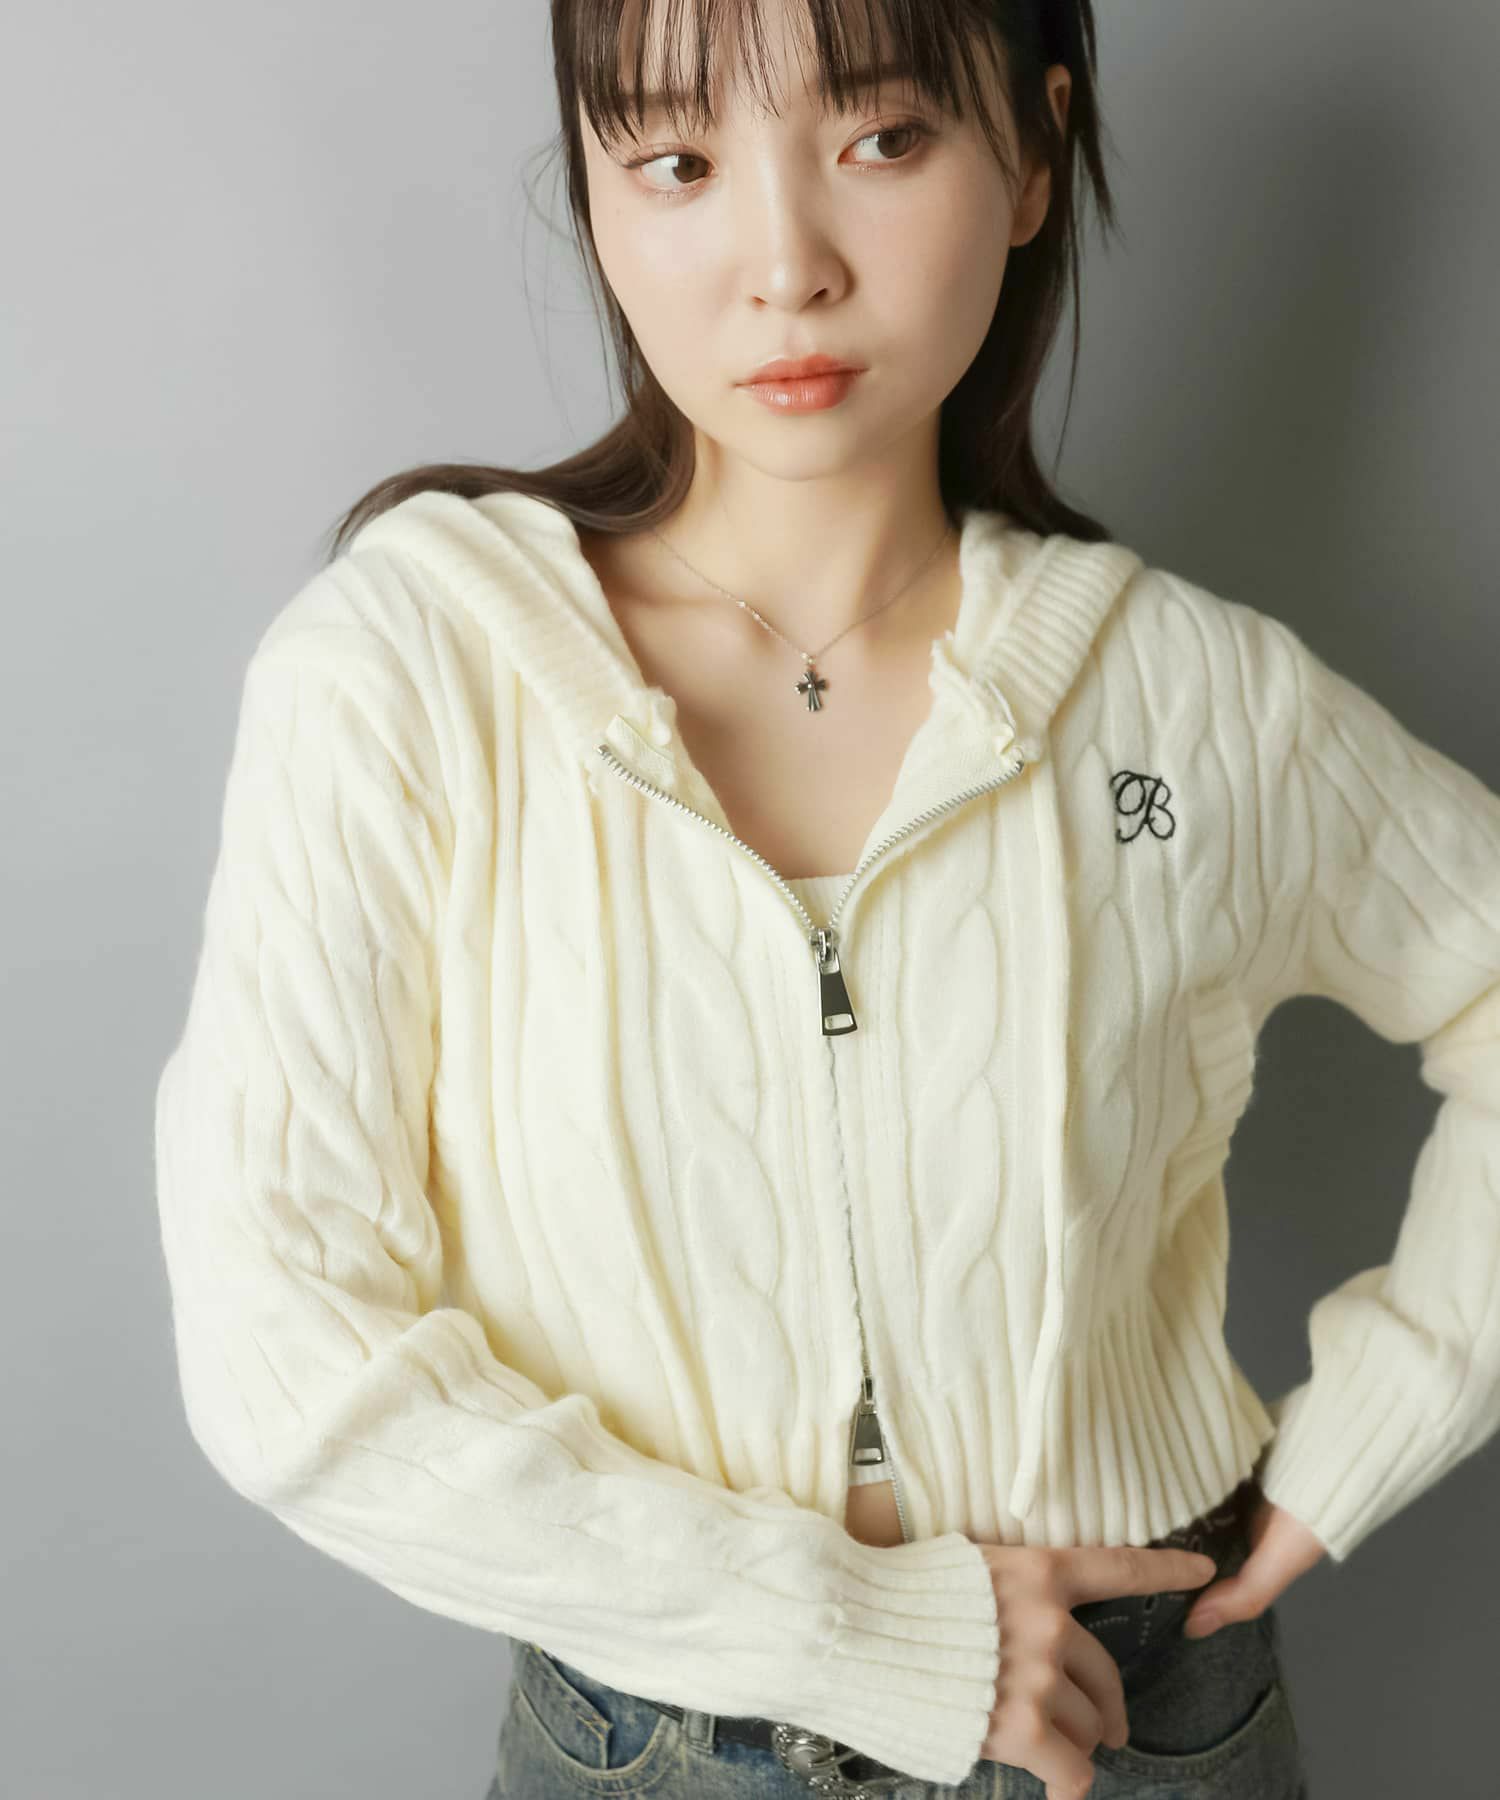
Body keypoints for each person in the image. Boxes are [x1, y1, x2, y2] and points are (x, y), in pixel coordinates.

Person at [153, 2, 1500, 1797]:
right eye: (675, 163)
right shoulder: (413, 669)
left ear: (1033, 153)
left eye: (882, 140)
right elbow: (281, 1337)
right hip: (657, 1737)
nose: (783, 265)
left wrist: (1383, 1420)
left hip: (1139, 1722)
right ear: (595, 196)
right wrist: (845, 1634)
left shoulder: (1193, 700)